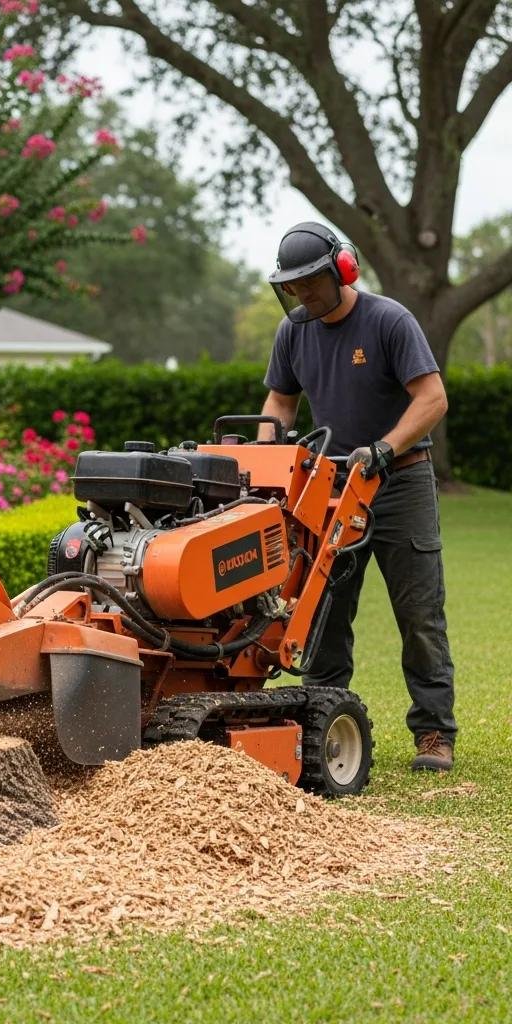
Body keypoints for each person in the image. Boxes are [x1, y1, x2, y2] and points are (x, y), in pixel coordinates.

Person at [257, 221, 457, 772]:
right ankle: (322, 723)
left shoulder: (389, 320)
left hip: (398, 482)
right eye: (292, 286)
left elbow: (432, 398)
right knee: (322, 610)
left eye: (311, 283)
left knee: (419, 612)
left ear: (342, 271)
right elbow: (280, 404)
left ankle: (435, 732)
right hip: (330, 489)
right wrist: (271, 456)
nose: (302, 295)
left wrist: (384, 449)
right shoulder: (294, 331)